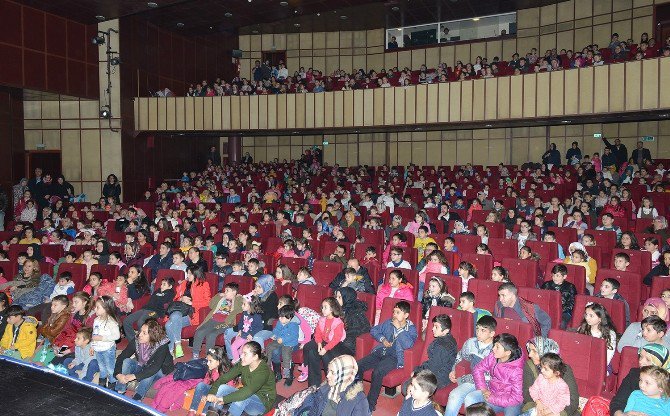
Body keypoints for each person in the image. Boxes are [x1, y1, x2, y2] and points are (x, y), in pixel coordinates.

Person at [356, 300, 418, 411]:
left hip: (394, 357)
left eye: (397, 312)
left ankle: (370, 404)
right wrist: (382, 339)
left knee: (378, 372)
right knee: (357, 366)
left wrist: (399, 329)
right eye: (394, 312)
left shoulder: (411, 329)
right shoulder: (388, 322)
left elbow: (408, 344)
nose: (394, 314)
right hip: (380, 352)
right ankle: (358, 396)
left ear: (406, 315)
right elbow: (374, 330)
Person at [204, 341, 276, 416]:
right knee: (222, 388)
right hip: (247, 396)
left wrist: (223, 399)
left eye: (245, 354)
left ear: (255, 357)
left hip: (262, 403)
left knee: (241, 398)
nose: (241, 356)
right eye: (242, 353)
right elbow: (223, 378)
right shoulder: (243, 364)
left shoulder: (263, 371)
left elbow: (247, 391)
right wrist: (212, 393)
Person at [114, 318, 174, 400]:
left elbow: (154, 368)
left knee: (151, 370)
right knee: (127, 361)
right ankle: (120, 390)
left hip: (160, 371)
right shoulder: (137, 340)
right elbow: (122, 357)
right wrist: (118, 374)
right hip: (143, 365)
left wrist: (134, 376)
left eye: (144, 333)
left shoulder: (162, 345)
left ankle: (138, 396)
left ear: (152, 336)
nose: (139, 335)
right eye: (140, 331)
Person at [607, 343, 670, 416]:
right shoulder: (634, 375)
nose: (641, 361)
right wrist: (622, 414)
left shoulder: (666, 383)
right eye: (641, 357)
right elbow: (618, 402)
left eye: (648, 359)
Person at [521, 337, 579, 415]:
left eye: (534, 351)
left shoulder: (564, 369)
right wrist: (539, 407)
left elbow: (573, 400)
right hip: (537, 406)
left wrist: (556, 413)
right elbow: (527, 393)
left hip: (559, 410)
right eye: (530, 350)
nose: (530, 354)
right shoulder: (530, 365)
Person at [296, 354, 370, 416]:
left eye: (333, 373)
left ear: (344, 375)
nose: (327, 376)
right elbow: (314, 412)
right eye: (328, 371)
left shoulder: (359, 400)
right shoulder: (325, 389)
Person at [402, 314, 457, 395]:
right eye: (433, 326)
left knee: (407, 387)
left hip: (439, 378)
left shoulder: (442, 347)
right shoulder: (449, 339)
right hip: (442, 374)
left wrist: (417, 371)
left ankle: (417, 405)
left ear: (446, 331)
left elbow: (433, 367)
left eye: (436, 327)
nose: (432, 329)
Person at [166, 265, 212, 358]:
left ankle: (173, 349)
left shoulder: (204, 284)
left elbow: (208, 302)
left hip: (192, 314)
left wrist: (192, 302)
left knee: (169, 324)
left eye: (190, 274)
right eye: (188, 273)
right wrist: (181, 298)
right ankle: (173, 349)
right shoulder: (185, 283)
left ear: (196, 274)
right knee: (173, 318)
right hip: (181, 310)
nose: (188, 276)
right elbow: (176, 297)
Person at [192, 282, 243, 359]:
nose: (225, 292)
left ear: (234, 292)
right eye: (225, 290)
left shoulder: (239, 299)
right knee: (200, 331)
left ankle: (209, 356)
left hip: (225, 323)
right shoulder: (221, 298)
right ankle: (195, 354)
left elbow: (239, 310)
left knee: (211, 335)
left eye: (227, 290)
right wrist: (218, 296)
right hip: (213, 319)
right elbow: (211, 305)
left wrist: (234, 299)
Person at [304, 297, 346, 386]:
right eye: (322, 307)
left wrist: (325, 349)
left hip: (335, 345)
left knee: (326, 357)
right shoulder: (322, 319)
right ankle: (314, 385)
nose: (322, 309)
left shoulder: (338, 323)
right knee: (312, 352)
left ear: (332, 309)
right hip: (324, 342)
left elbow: (336, 339)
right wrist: (319, 343)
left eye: (325, 307)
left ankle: (331, 382)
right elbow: (317, 332)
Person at [123, 277, 176, 342]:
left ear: (170, 286)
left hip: (155, 312)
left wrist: (161, 296)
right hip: (146, 309)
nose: (161, 286)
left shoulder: (170, 293)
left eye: (164, 284)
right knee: (127, 320)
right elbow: (151, 301)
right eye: (161, 284)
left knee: (141, 322)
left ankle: (144, 342)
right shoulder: (157, 291)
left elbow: (164, 304)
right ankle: (133, 342)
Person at [266, 304, 300, 386]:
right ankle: (267, 365)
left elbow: (293, 336)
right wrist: (274, 335)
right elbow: (276, 330)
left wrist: (283, 339)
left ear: (289, 318)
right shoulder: (280, 322)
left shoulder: (294, 324)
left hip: (289, 343)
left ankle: (287, 375)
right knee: (269, 347)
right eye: (279, 316)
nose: (280, 319)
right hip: (279, 340)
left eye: (282, 317)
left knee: (286, 355)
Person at [92, 295, 121, 389]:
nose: (94, 309)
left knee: (110, 368)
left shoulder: (111, 322)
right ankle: (102, 382)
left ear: (106, 308)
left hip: (108, 349)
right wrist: (92, 346)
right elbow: (94, 335)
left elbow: (117, 336)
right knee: (101, 367)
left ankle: (113, 384)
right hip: (98, 348)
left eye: (97, 307)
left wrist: (102, 338)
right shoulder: (96, 320)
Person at [540, 264, 577, 329]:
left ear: (564, 276)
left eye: (558, 276)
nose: (555, 278)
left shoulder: (570, 287)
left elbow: (572, 303)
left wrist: (559, 310)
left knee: (562, 322)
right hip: (547, 309)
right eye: (553, 275)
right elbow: (541, 298)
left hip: (564, 312)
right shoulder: (547, 285)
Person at [229, 295, 264, 362]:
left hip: (248, 337)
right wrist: (239, 330)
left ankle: (242, 363)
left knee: (242, 351)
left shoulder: (256, 316)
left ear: (250, 306)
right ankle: (237, 361)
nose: (242, 305)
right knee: (233, 347)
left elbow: (260, 326)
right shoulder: (244, 313)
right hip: (242, 335)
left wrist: (251, 334)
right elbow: (240, 323)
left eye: (244, 304)